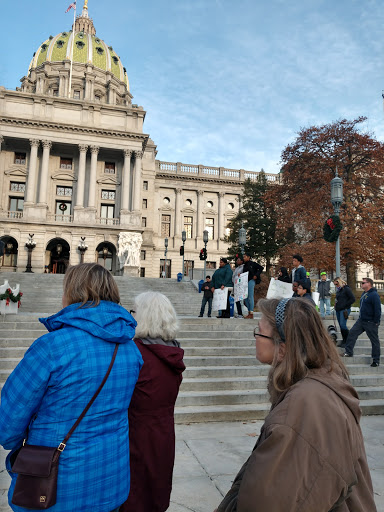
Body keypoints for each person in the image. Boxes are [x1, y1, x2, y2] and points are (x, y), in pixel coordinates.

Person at [0, 263, 143, 512]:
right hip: (111, 480)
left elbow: (7, 425)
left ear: (72, 292)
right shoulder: (131, 349)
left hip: (56, 488)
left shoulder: (52, 346)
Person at [215, 298, 376, 512]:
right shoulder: (316, 386)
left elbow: (270, 501)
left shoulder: (304, 405)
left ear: (282, 349)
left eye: (259, 331)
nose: (255, 337)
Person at [121, 292, 185, 512]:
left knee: (135, 498)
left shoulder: (135, 353)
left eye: (134, 312)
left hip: (135, 437)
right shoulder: (173, 351)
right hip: (163, 434)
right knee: (156, 494)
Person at [344, 278, 382, 367]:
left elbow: (378, 310)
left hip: (370, 322)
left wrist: (376, 322)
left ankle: (376, 360)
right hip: (361, 320)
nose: (361, 284)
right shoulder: (364, 294)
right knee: (352, 333)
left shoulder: (374, 295)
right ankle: (349, 352)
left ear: (369, 284)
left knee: (374, 341)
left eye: (363, 283)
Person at [334, 277, 355, 348]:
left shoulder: (346, 289)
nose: (336, 286)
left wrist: (345, 305)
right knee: (341, 325)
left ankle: (347, 340)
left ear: (340, 282)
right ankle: (344, 340)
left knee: (343, 325)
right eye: (335, 285)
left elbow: (352, 299)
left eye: (337, 284)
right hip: (338, 309)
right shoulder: (339, 290)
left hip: (344, 309)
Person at [242, 253, 263, 319]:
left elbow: (261, 268)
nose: (244, 258)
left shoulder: (253, 264)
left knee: (250, 296)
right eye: (243, 257)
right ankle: (249, 311)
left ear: (249, 257)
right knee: (246, 297)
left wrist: (256, 275)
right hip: (246, 281)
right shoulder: (245, 265)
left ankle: (251, 312)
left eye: (245, 257)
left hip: (251, 280)